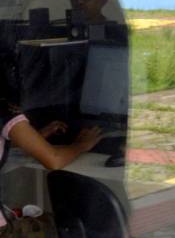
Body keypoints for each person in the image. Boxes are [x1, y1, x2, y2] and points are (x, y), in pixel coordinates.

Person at [0, 93, 102, 236]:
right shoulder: (4, 110)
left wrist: (35, 137)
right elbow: (54, 160)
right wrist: (82, 145)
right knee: (60, 225)